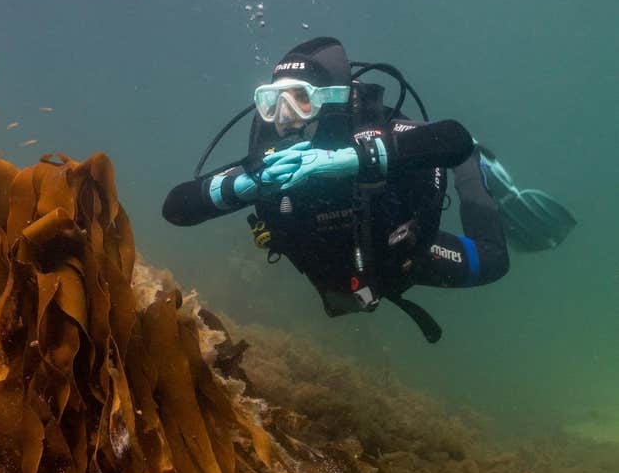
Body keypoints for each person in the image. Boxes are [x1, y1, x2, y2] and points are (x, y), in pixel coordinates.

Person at [162, 37, 574, 342]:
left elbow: (451, 138)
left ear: (335, 101)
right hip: (348, 275)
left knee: (493, 261)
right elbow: (177, 208)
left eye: (300, 102)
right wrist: (244, 184)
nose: (283, 119)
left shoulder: (376, 131)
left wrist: (354, 158)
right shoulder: (271, 165)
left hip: (402, 254)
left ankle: (477, 172)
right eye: (271, 103)